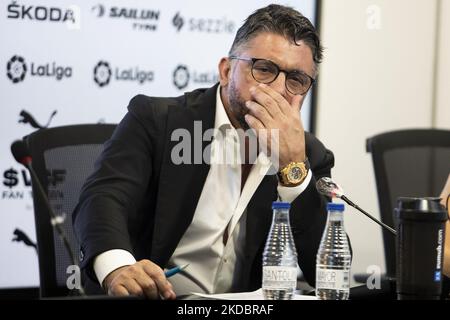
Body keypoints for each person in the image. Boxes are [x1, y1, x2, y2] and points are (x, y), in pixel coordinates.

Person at [73, 4, 334, 299]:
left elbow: (326, 271)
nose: (277, 89)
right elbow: (103, 198)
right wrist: (118, 268)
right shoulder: (157, 121)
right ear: (226, 71)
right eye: (264, 69)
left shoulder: (309, 153)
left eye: (296, 80)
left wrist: (293, 171)